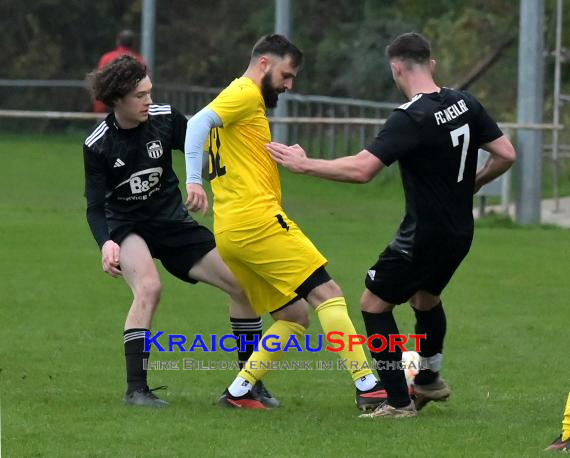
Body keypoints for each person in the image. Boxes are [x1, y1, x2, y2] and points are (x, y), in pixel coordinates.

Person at [267, 32, 516, 418]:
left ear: (396, 68)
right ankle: (430, 380)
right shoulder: (464, 102)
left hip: (424, 235)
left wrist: (304, 164)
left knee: (373, 304)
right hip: (459, 231)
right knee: (424, 298)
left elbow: (362, 169)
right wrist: (472, 185)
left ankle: (399, 402)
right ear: (430, 64)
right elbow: (505, 153)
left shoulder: (410, 116)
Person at [184, 34, 385, 410]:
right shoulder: (244, 92)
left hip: (231, 228)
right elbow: (195, 124)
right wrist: (193, 179)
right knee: (329, 294)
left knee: (294, 314)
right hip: (256, 221)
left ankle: (239, 393)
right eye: (287, 75)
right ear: (264, 63)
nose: (289, 85)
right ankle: (370, 386)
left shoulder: (239, 100)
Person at [83, 55, 277, 408]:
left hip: (173, 223)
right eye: (140, 95)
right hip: (127, 227)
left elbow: (203, 145)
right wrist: (106, 243)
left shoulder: (165, 119)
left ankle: (247, 386)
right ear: (117, 100)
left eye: (149, 92)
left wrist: (197, 179)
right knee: (149, 287)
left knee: (244, 285)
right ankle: (136, 390)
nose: (148, 101)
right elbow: (96, 206)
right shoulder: (98, 144)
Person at [93, 30, 146, 113]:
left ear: (118, 41)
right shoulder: (139, 60)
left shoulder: (107, 58)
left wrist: (99, 109)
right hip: (132, 107)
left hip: (109, 105)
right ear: (133, 43)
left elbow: (100, 84)